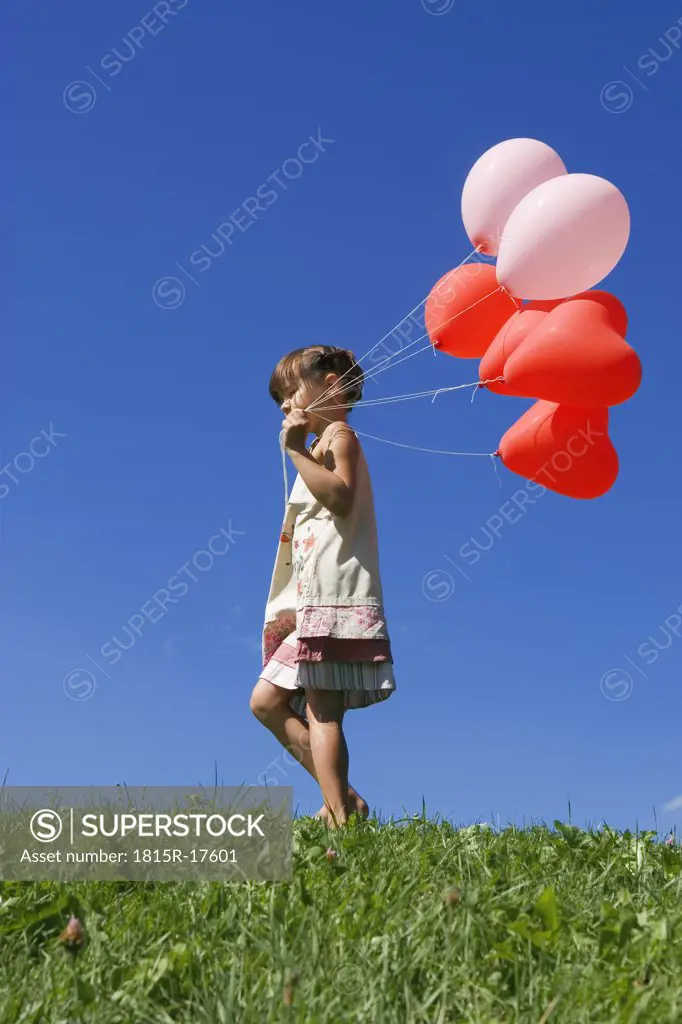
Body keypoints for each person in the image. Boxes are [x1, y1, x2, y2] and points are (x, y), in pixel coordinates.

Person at [250, 345, 396, 829]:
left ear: (331, 385)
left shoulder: (341, 436)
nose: (287, 404)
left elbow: (339, 496)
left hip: (336, 596)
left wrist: (292, 451)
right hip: (309, 600)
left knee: (323, 711)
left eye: (293, 391)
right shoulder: (317, 447)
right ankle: (344, 799)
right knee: (266, 702)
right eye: (281, 399)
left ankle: (340, 816)